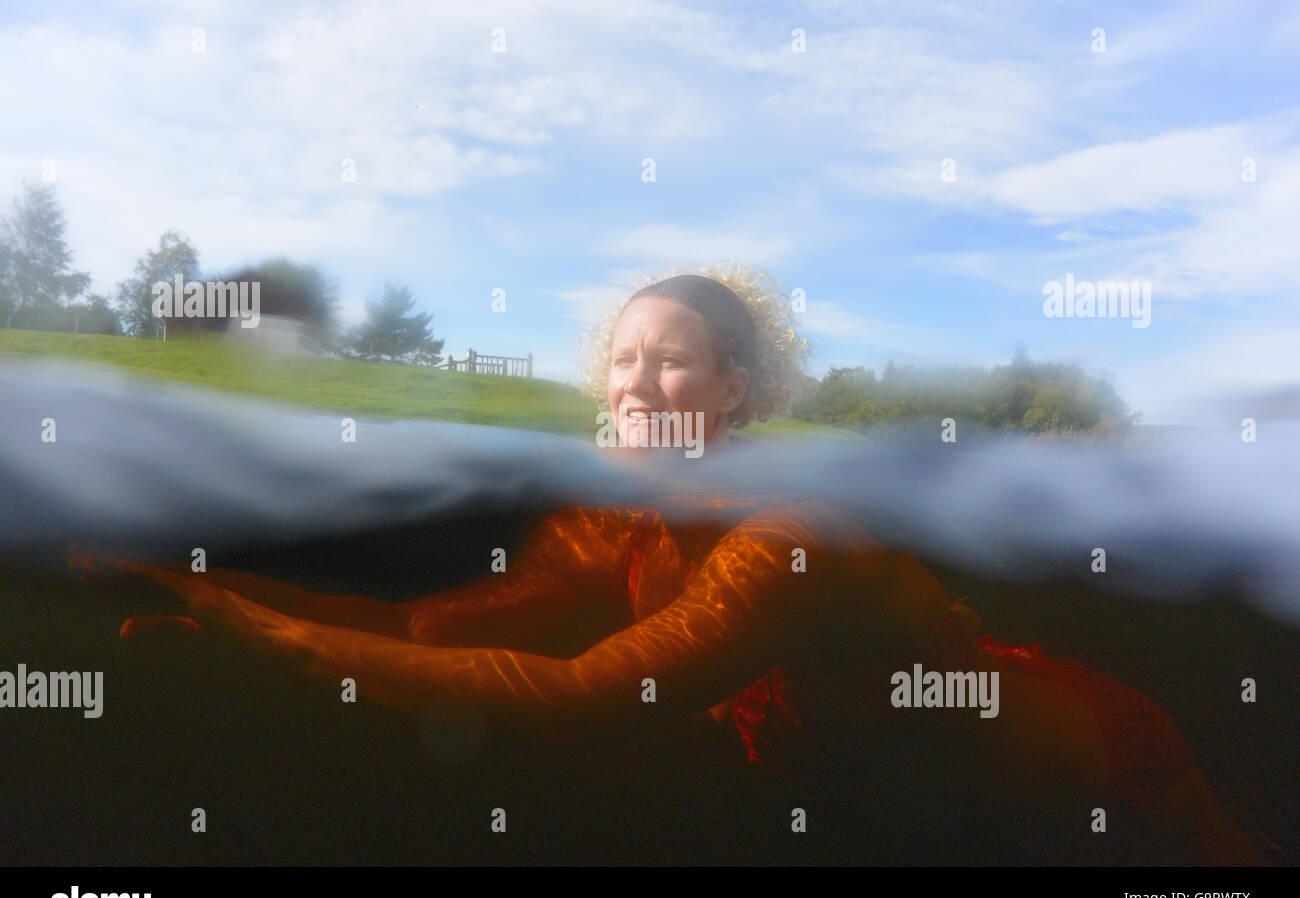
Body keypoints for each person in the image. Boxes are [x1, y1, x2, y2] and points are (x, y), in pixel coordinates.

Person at [71, 265, 1263, 865]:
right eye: (624, 360)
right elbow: (439, 627)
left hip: (1088, 779)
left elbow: (585, 695)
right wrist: (196, 579)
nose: (637, 386)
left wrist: (258, 630)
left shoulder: (789, 528)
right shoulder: (615, 519)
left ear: (736, 391)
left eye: (675, 363)